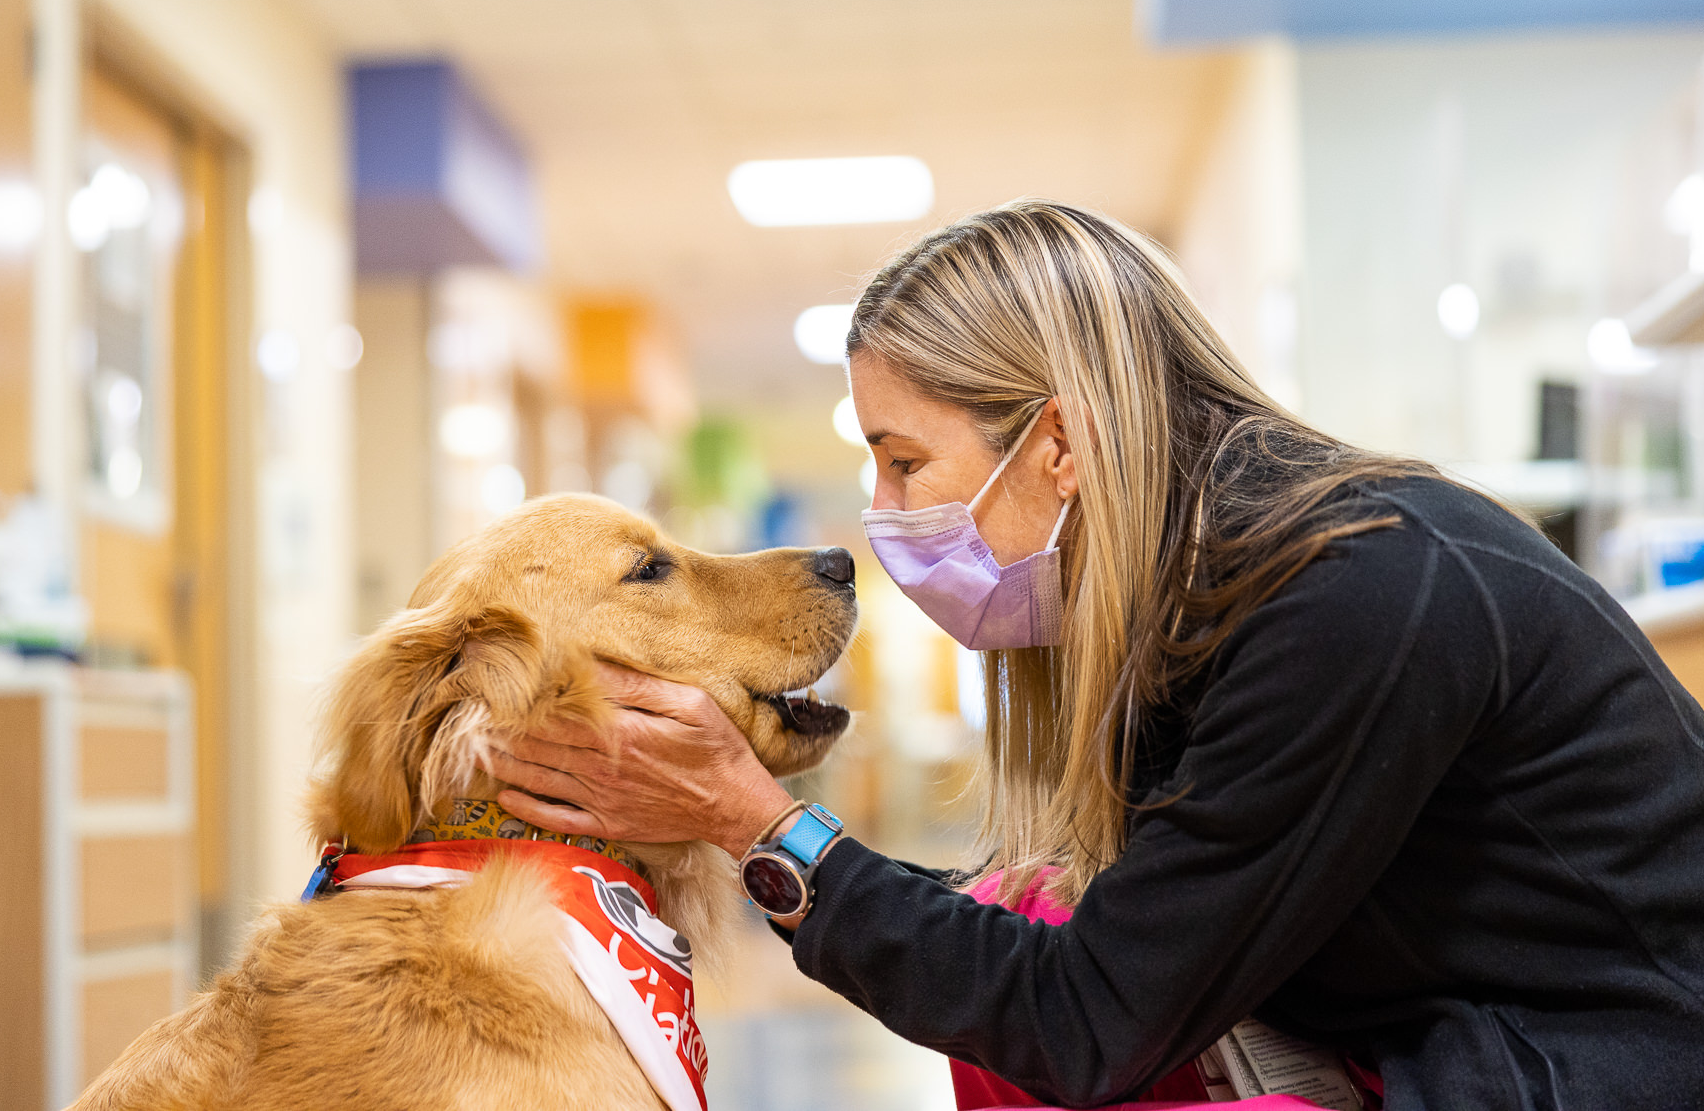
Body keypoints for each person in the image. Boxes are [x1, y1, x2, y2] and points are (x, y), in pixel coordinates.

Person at [490, 200, 1704, 1110]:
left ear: (1058, 443)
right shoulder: (1191, 586)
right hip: (1422, 1022)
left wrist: (762, 825)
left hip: (1599, 1063)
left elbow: (1088, 1021)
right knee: (1012, 925)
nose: (882, 510)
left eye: (906, 461)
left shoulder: (1350, 593)